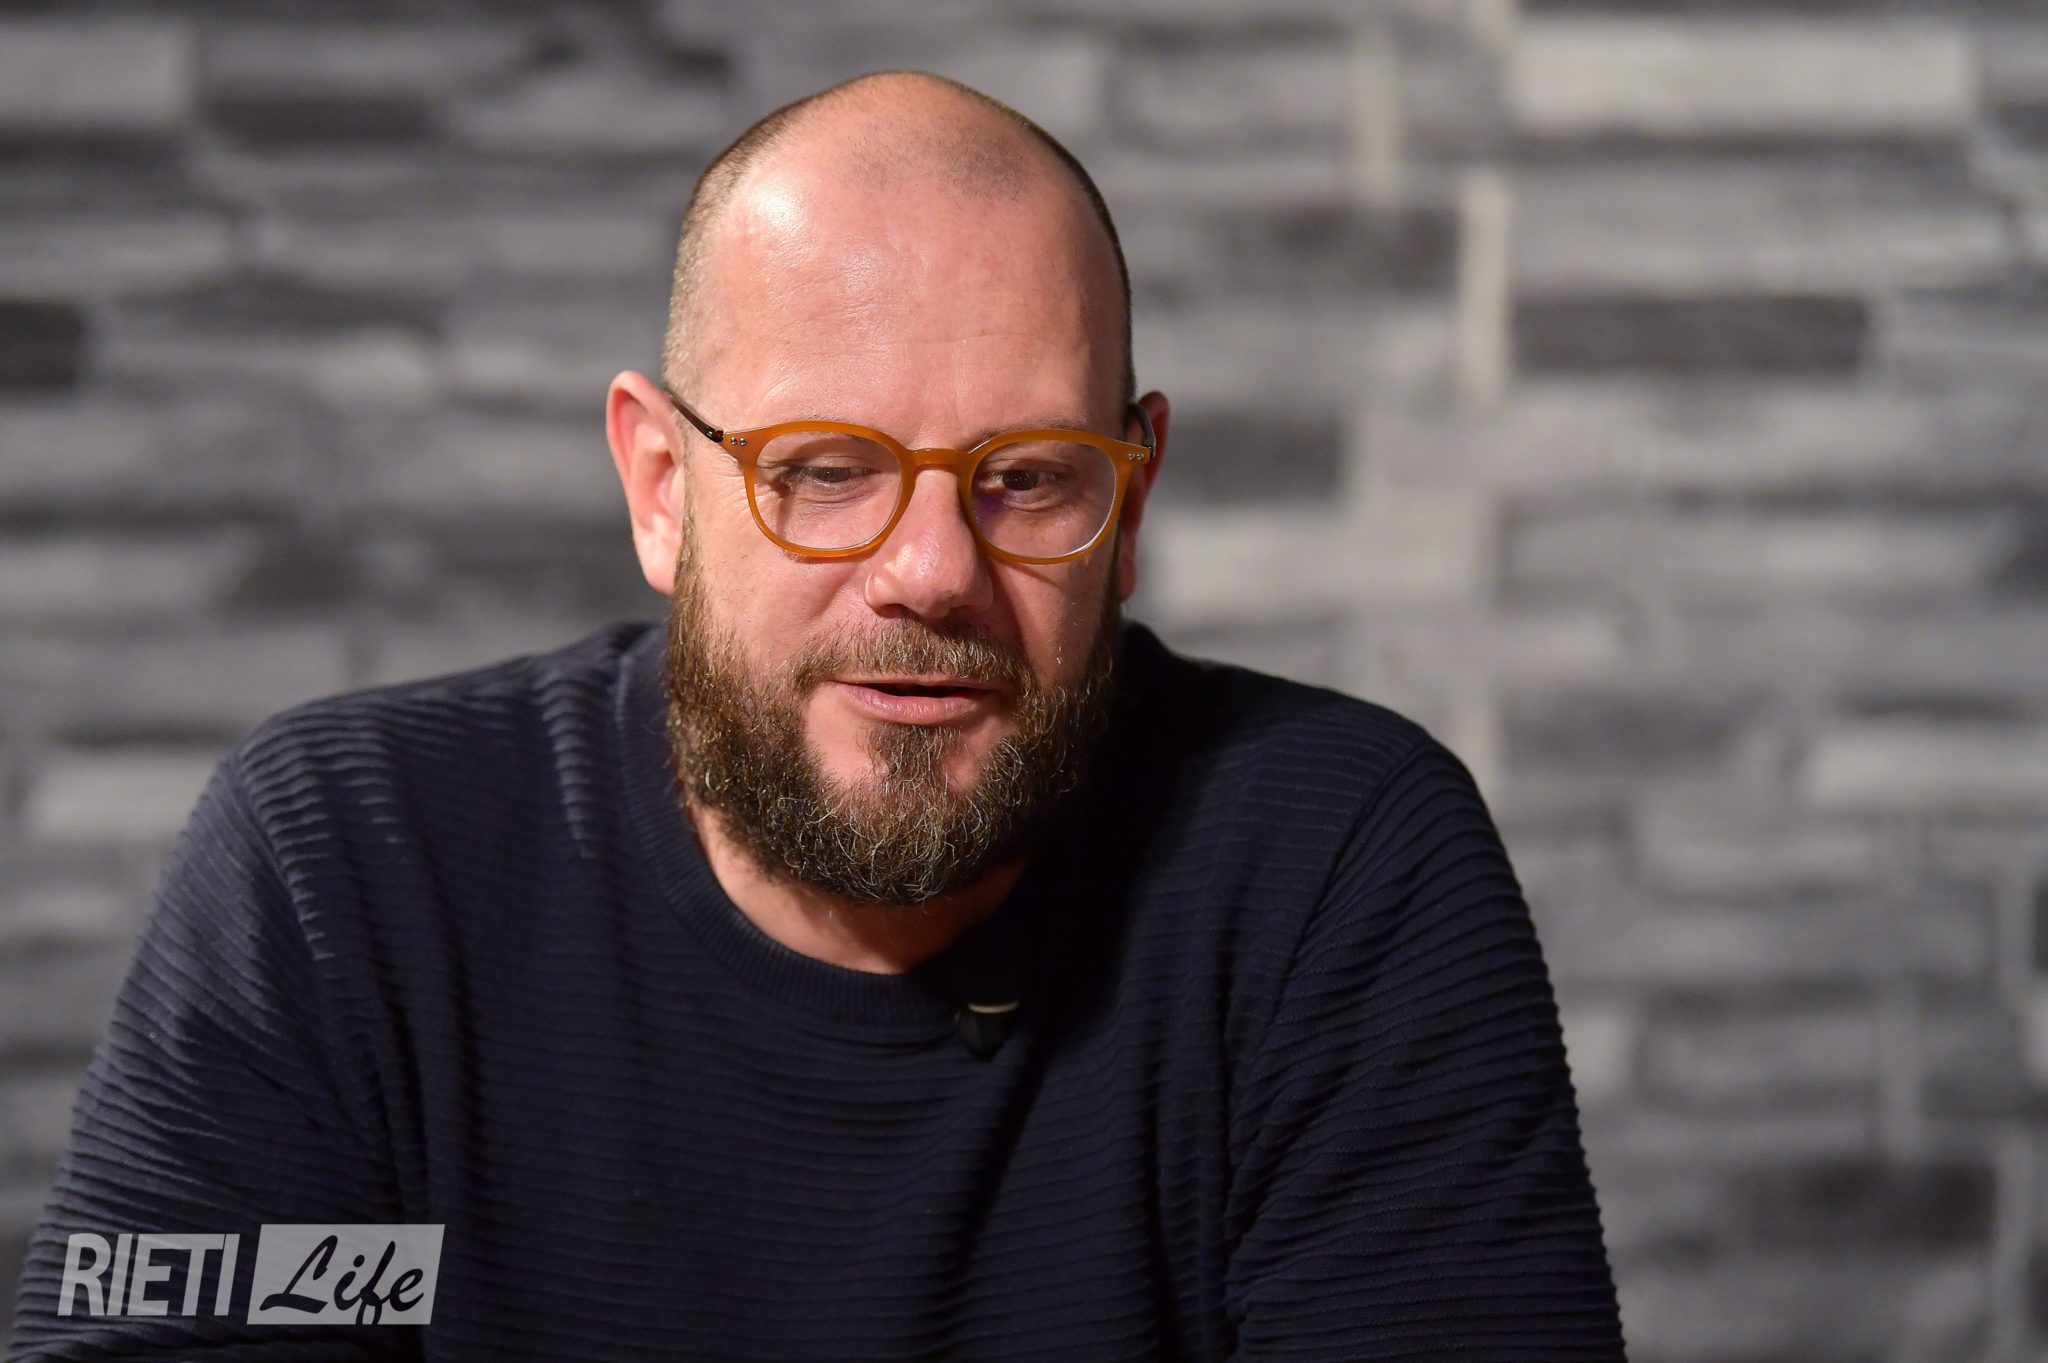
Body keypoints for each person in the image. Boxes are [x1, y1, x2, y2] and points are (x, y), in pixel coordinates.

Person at [9, 72, 1627, 1360]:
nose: (931, 571)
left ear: (1128, 506)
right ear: (662, 488)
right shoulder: (352, 876)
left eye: (1028, 478)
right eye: (828, 471)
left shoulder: (1332, 872)